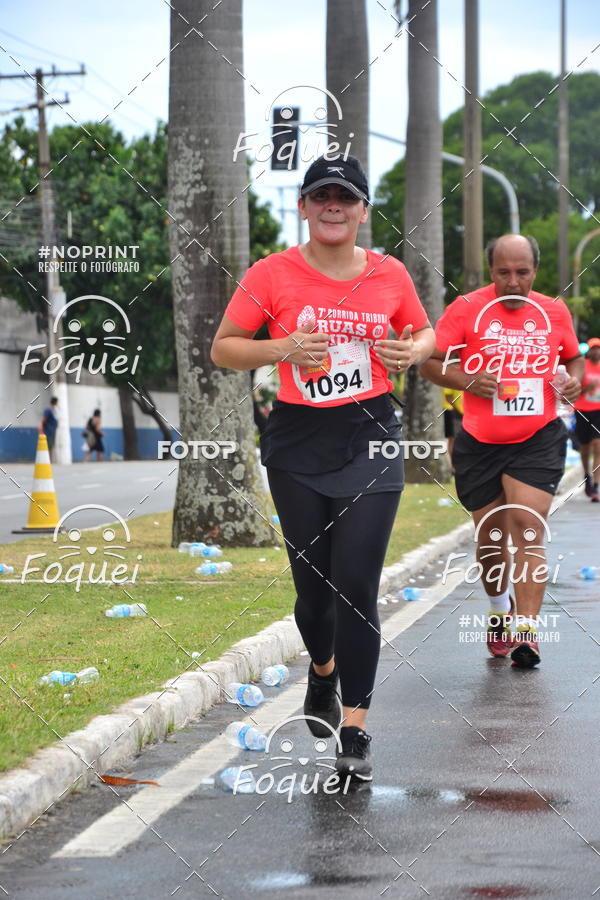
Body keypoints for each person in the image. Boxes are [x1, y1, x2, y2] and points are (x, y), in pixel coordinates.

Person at [211, 155, 434, 781]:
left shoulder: (390, 274)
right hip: (297, 442)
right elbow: (224, 347)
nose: (334, 205)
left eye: (346, 196)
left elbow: (425, 333)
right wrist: (282, 347)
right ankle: (322, 671)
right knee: (314, 594)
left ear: (363, 210)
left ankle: (356, 728)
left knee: (357, 585)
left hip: (372, 436)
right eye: (321, 195)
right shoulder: (271, 272)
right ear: (305, 207)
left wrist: (411, 349)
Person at [420, 234, 583, 667]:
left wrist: (573, 380)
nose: (513, 282)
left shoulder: (553, 311)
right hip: (479, 442)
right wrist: (470, 381)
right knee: (491, 537)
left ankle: (527, 634)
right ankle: (499, 613)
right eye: (503, 273)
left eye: (522, 273)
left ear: (535, 271)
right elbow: (430, 361)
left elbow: (573, 358)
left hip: (538, 437)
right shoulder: (467, 309)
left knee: (527, 527)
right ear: (490, 271)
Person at [574, 337, 600, 501]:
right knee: (585, 448)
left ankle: (596, 485)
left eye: (598, 348)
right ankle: (587, 476)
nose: (596, 351)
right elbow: (574, 390)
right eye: (594, 348)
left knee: (597, 446)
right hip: (583, 410)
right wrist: (586, 388)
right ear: (589, 351)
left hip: (599, 411)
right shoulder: (582, 366)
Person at [442, 387, 463, 471]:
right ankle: (454, 465)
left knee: (457, 439)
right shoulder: (450, 376)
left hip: (461, 411)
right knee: (453, 439)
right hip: (451, 410)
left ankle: (457, 464)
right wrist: (458, 408)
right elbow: (448, 396)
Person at [40, 397, 58, 461]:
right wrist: (41, 428)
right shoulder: (48, 409)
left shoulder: (53, 410)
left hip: (52, 431)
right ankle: (47, 460)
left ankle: (49, 459)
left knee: (51, 445)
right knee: (48, 445)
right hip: (48, 431)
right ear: (55, 402)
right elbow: (44, 419)